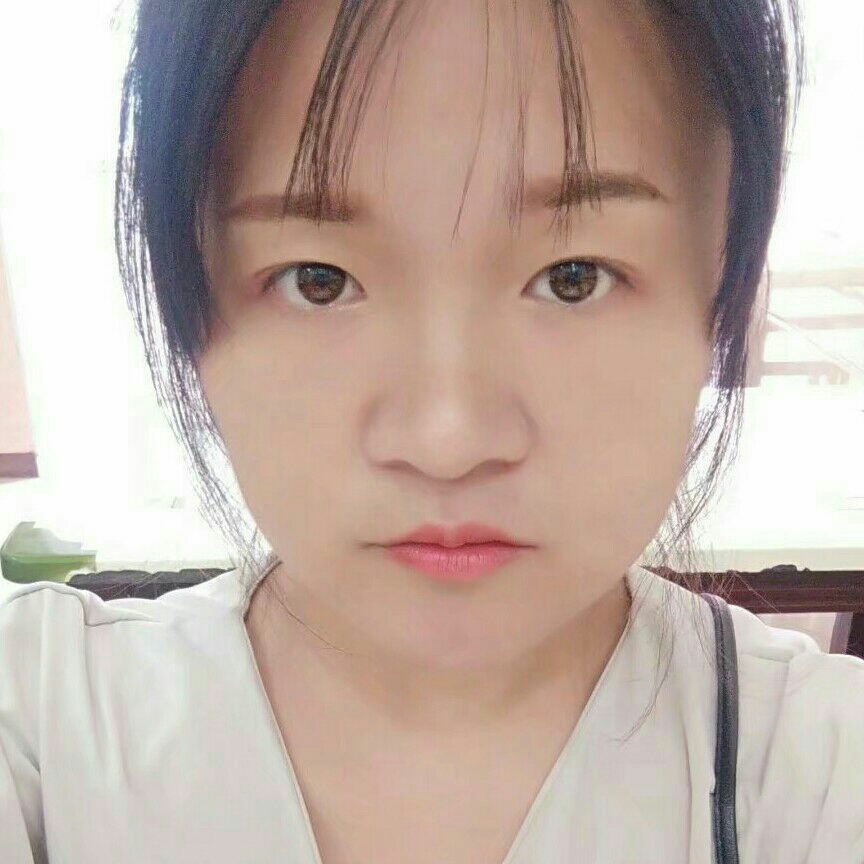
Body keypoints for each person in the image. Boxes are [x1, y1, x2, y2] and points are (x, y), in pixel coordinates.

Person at [2, 0, 863, 861]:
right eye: (317, 280)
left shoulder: (823, 775)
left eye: (573, 277)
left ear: (720, 295)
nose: (447, 441)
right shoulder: (41, 735)